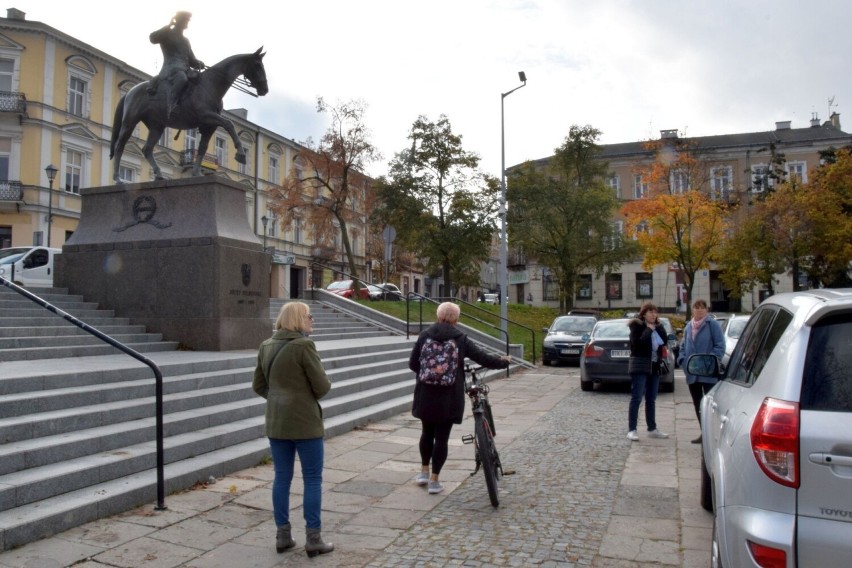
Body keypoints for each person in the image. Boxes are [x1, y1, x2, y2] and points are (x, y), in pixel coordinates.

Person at [252, 301, 334, 558]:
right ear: (299, 319)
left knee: (281, 478)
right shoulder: (304, 346)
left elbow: (258, 385)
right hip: (305, 423)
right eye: (309, 316)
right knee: (312, 479)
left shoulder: (266, 345)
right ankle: (314, 538)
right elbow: (321, 387)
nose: (312, 320)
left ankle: (283, 535)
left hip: (277, 422)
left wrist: (278, 399)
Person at [408, 302, 511, 494]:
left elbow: (413, 364)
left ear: (438, 315)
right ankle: (435, 481)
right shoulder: (460, 338)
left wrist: (429, 374)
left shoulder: (424, 336)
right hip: (449, 397)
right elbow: (482, 358)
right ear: (456, 319)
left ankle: (423, 472)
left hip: (426, 395)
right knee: (442, 438)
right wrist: (502, 362)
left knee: (426, 433)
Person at [677, 299, 725, 444]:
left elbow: (720, 346)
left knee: (710, 404)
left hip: (708, 372)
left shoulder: (713, 325)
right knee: (697, 403)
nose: (699, 310)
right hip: (692, 373)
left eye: (702, 308)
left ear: (706, 310)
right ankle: (704, 433)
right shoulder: (688, 327)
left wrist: (709, 361)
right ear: (692, 310)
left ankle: (713, 434)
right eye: (696, 308)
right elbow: (683, 347)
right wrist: (683, 361)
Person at [147, 11, 206, 117]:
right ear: (178, 20)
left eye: (188, 20)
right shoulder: (167, 34)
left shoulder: (185, 41)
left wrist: (198, 62)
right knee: (182, 79)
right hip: (170, 68)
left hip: (185, 69)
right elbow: (153, 38)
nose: (187, 23)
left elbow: (191, 59)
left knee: (199, 83)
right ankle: (171, 105)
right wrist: (169, 26)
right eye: (185, 20)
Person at [626, 302, 669, 441]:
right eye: (650, 312)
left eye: (655, 312)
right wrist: (648, 330)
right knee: (637, 397)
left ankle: (652, 428)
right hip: (640, 365)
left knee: (651, 399)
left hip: (654, 366)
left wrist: (658, 326)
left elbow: (664, 341)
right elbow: (637, 344)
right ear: (644, 313)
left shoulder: (657, 326)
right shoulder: (636, 326)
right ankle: (632, 429)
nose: (653, 314)